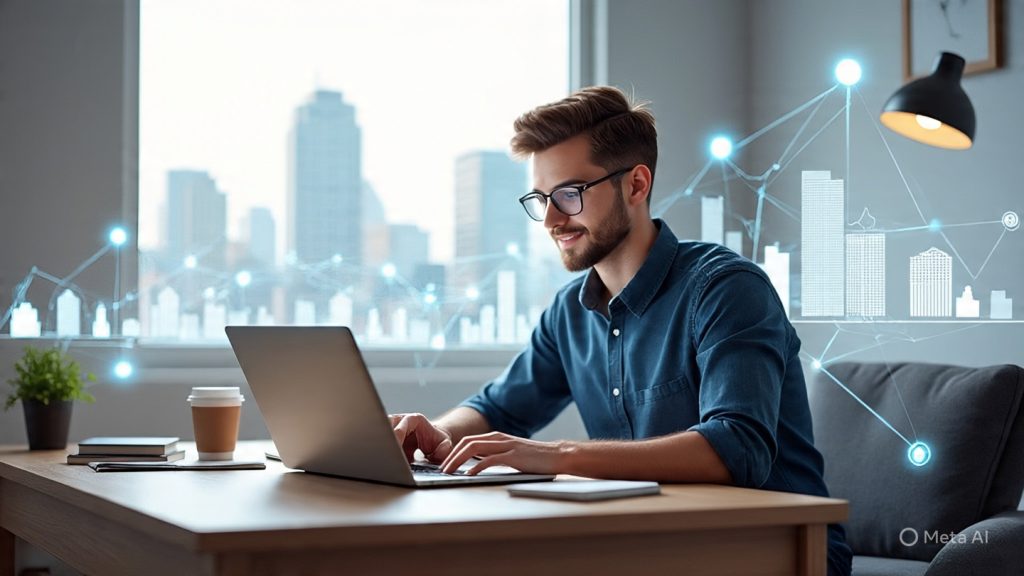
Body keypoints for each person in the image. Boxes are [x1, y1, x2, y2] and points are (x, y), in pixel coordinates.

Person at [390, 86, 852, 576]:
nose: (550, 219)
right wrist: (433, 434)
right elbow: (497, 408)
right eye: (541, 198)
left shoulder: (725, 289)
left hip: (776, 551)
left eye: (569, 194)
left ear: (635, 185)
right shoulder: (570, 311)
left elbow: (736, 447)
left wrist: (555, 456)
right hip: (651, 544)